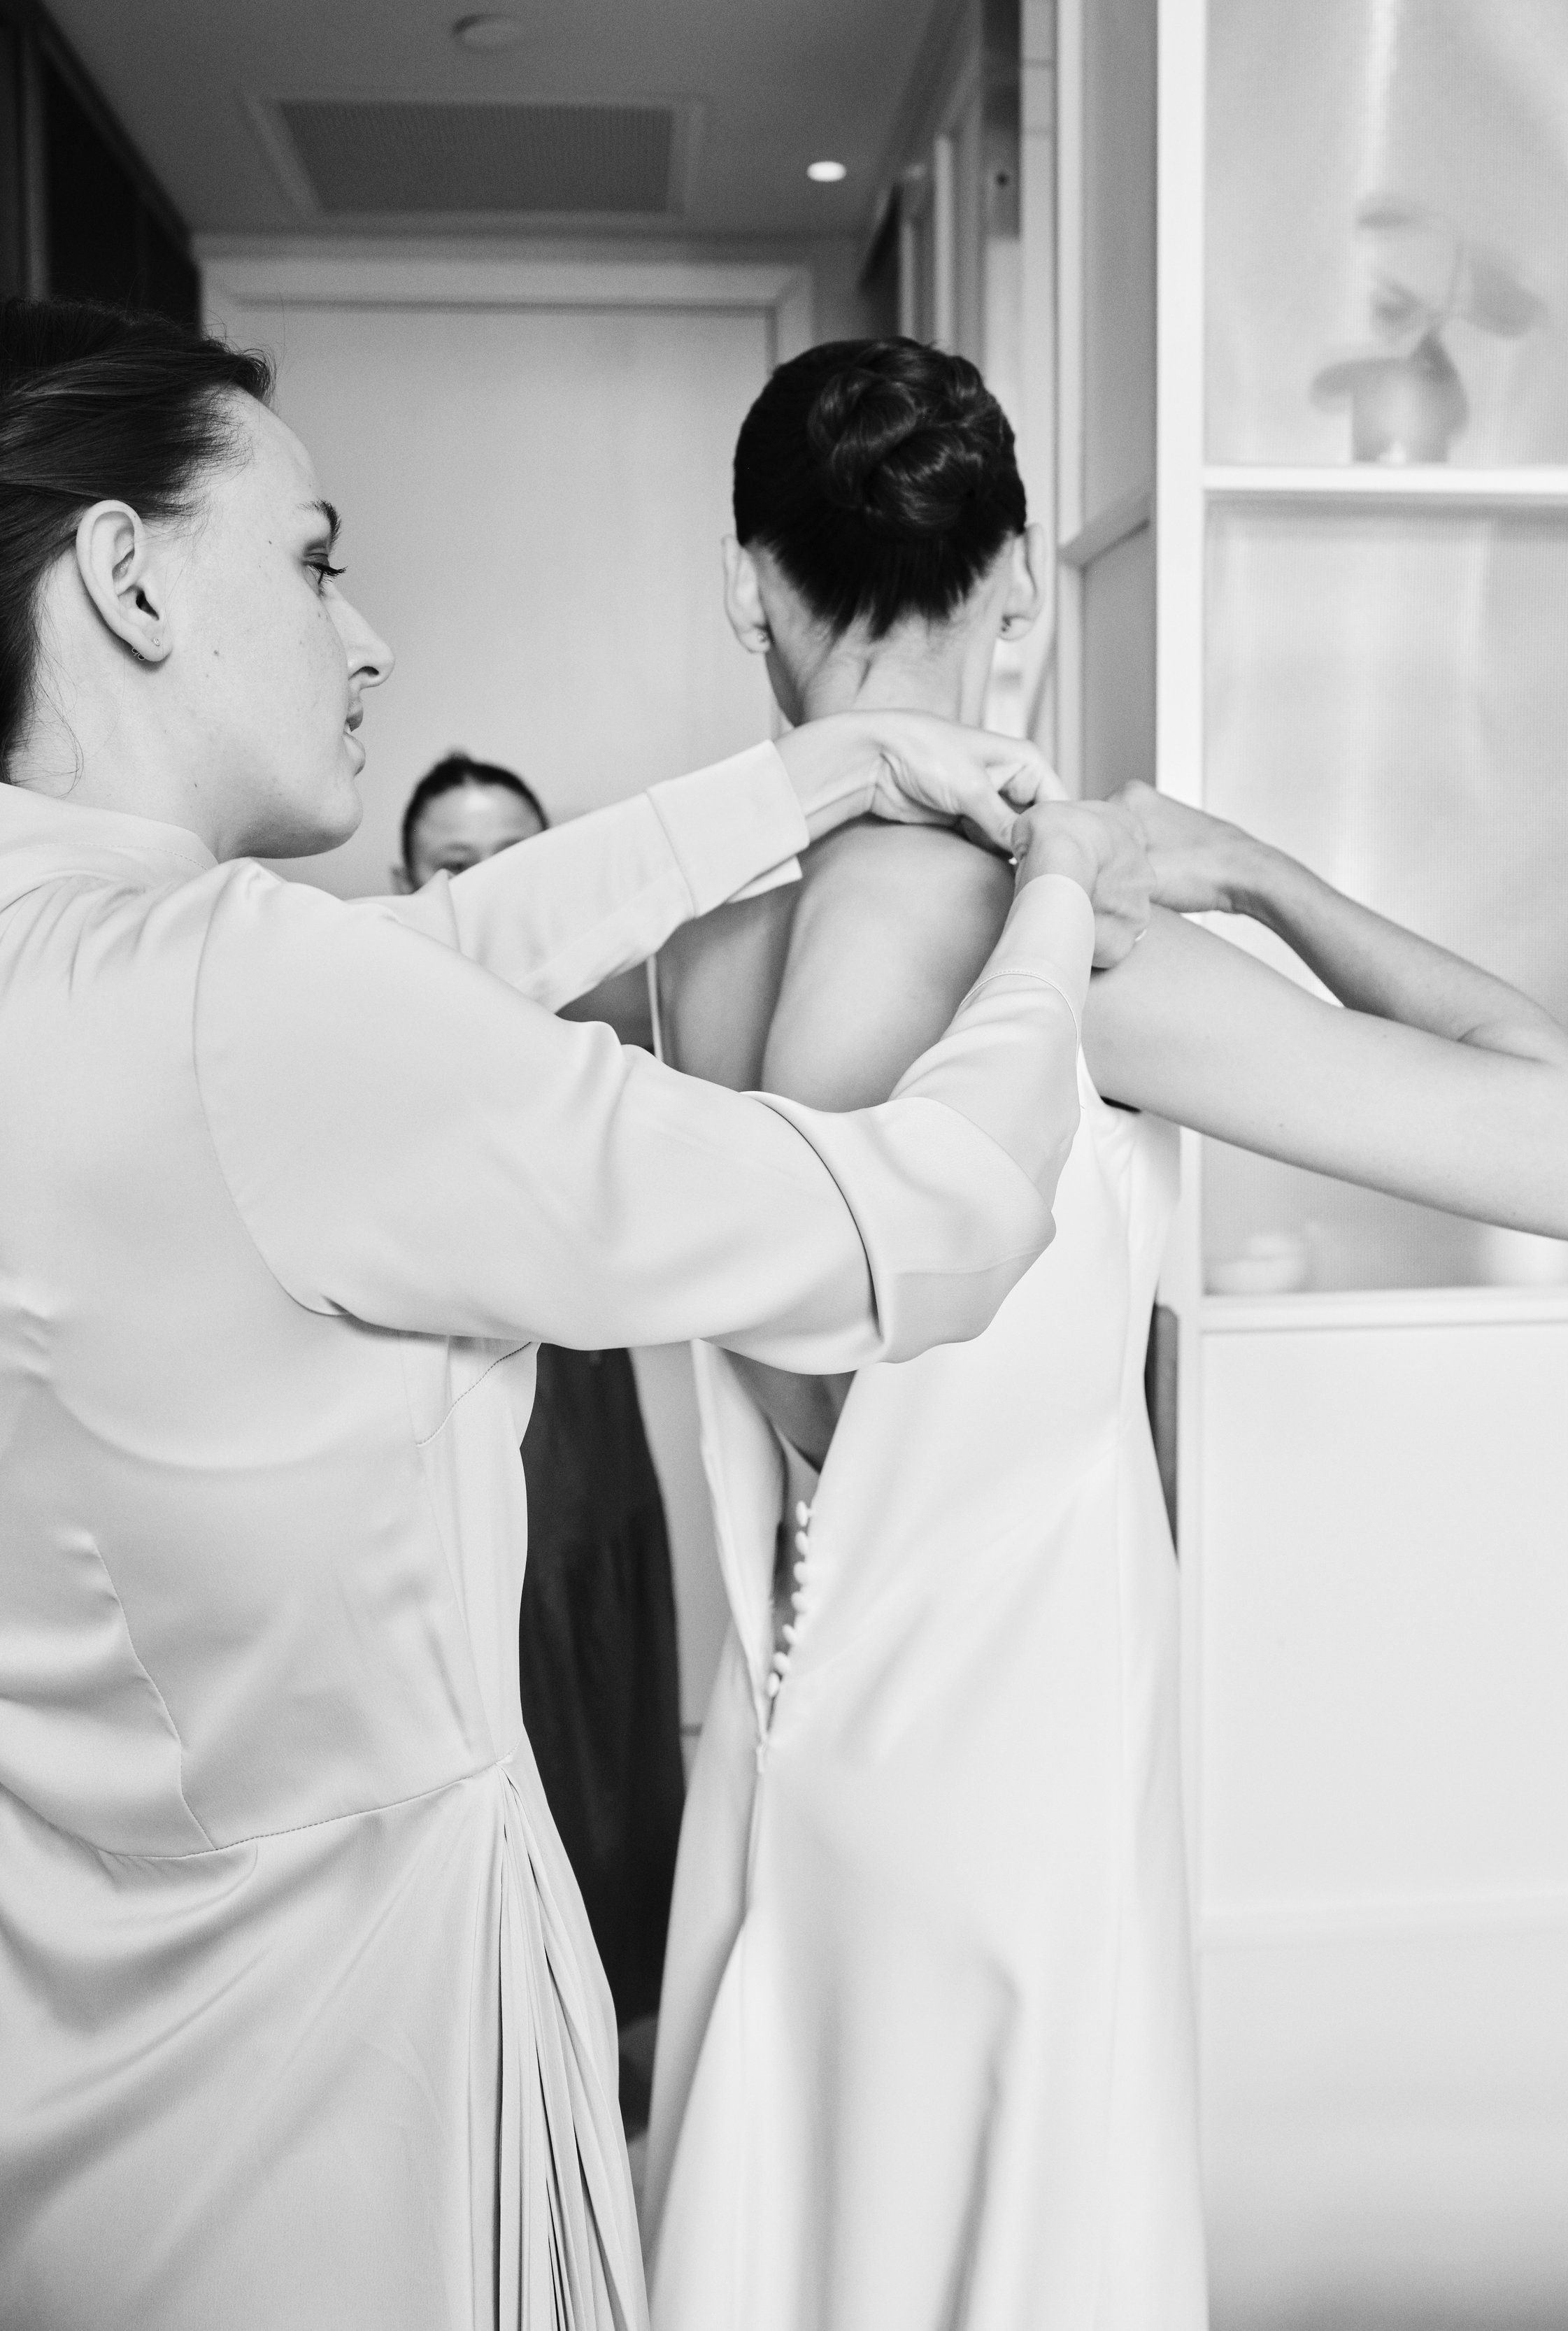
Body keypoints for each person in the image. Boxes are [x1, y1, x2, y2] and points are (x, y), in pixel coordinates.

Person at [0, 297, 1153, 2331]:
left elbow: (437, 958)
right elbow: (928, 1220)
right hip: (330, 2072)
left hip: (72, 2054)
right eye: (315, 555)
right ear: (124, 573)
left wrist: (819, 771)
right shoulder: (237, 993)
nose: (362, 638)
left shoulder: (79, 961)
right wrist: (1060, 906)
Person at [641, 338, 1568, 2331]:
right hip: (1013, 1789)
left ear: (746, 584)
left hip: (787, 1777)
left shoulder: (687, 949)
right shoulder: (1064, 942)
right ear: (1018, 580)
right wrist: (1254, 872)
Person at [399, 752, 682, 2120]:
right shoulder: (369, 1036)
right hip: (459, 1473)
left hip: (597, 1451)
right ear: (412, 884)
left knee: (620, 1730)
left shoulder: (608, 1023)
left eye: (512, 850)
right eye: (455, 861)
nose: (486, 879)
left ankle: (621, 2046)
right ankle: (523, 2065)